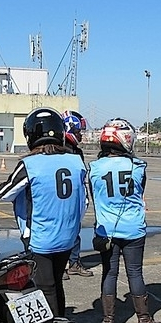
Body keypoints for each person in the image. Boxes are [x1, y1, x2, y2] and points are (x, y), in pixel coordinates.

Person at [0, 107, 87, 323]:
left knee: (44, 287)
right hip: (68, 235)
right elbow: (84, 200)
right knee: (56, 283)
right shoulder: (75, 161)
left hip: (42, 237)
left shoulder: (30, 164)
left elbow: (5, 193)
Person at [89, 118, 161, 323]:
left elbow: (95, 197)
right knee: (135, 272)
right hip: (133, 228)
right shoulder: (138, 167)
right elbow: (140, 193)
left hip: (106, 230)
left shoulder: (94, 168)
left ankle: (109, 320)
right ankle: (144, 318)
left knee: (109, 273)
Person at [61, 110, 93, 279]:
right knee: (60, 232)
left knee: (75, 231)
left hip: (75, 197)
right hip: (60, 198)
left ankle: (74, 263)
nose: (81, 135)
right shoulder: (58, 149)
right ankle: (60, 267)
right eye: (78, 131)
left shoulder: (76, 151)